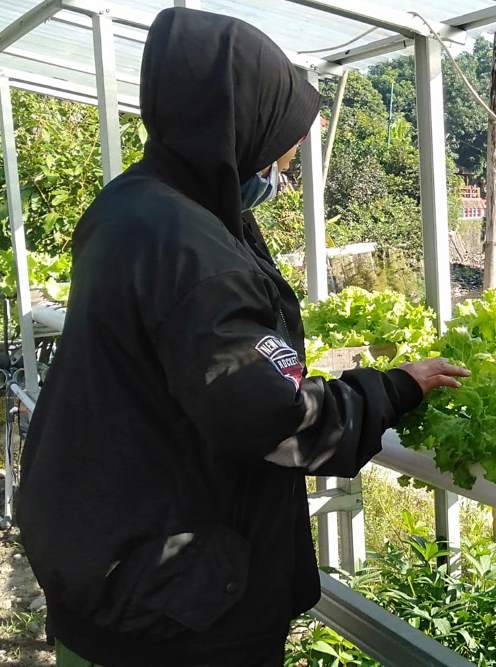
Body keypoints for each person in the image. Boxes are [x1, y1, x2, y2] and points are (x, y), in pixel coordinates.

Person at [16, 8, 468, 666]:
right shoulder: (194, 250)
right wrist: (393, 388)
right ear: (239, 124)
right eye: (284, 145)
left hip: (106, 552)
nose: (287, 164)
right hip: (168, 604)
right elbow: (270, 416)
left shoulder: (130, 206)